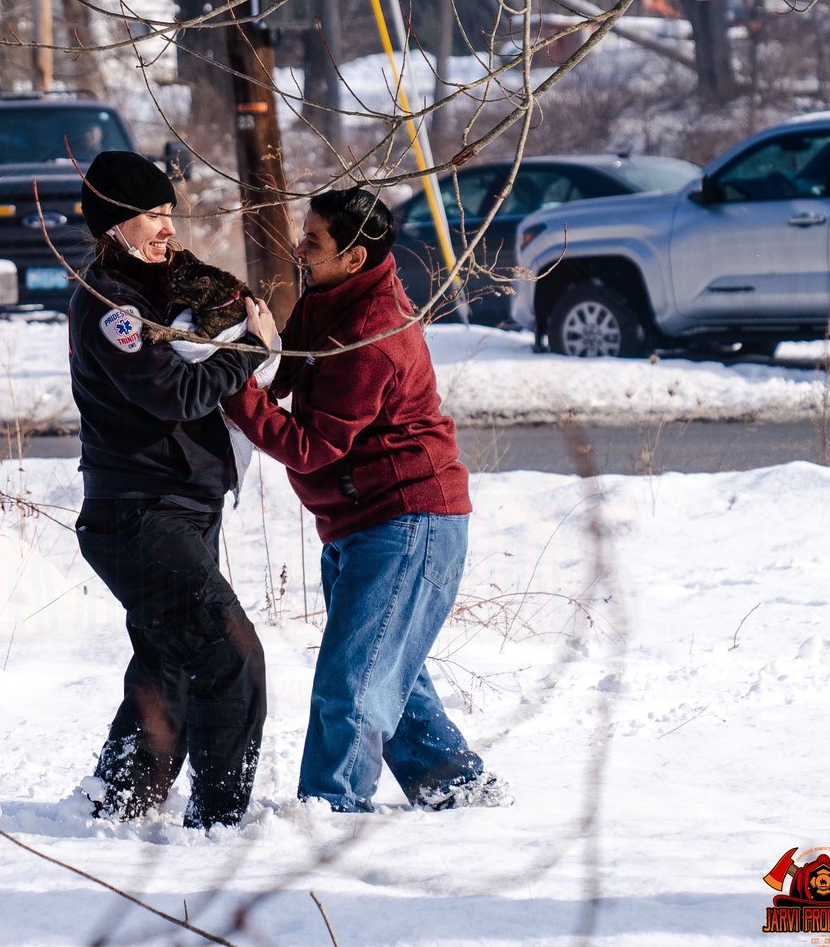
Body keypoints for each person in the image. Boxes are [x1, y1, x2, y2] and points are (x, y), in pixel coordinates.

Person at [221, 187, 512, 813]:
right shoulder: (330, 295)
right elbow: (286, 370)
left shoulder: (372, 332)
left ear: (354, 258)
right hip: (362, 519)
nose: (300, 248)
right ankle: (457, 788)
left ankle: (330, 811)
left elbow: (313, 446)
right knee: (386, 669)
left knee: (352, 682)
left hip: (408, 519)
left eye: (314, 242)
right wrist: (237, 343)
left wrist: (236, 398)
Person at [68, 150, 276, 830]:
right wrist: (250, 351)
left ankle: (119, 796)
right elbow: (174, 392)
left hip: (183, 508)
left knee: (170, 663)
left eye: (167, 213)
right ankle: (219, 822)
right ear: (113, 226)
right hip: (138, 515)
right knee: (231, 655)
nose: (167, 228)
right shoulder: (110, 305)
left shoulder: (158, 291)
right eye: (151, 215)